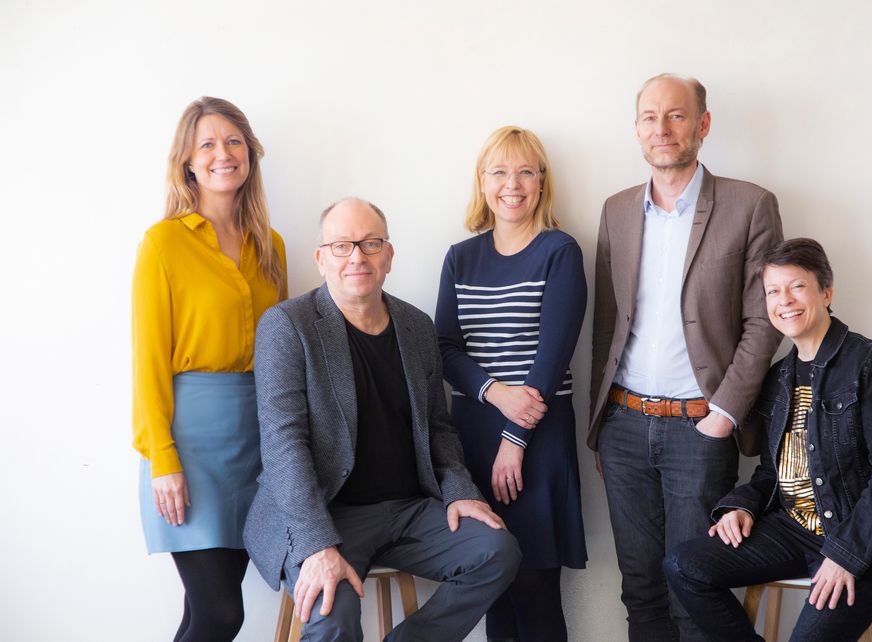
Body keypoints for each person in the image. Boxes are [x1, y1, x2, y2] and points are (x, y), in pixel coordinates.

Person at [244, 198, 521, 642]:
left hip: (408, 510)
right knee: (332, 614)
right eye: (341, 246)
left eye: (370, 243)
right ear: (321, 259)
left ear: (388, 256)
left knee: (497, 550)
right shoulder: (286, 326)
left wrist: (459, 493)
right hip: (324, 512)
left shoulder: (416, 326)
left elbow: (438, 428)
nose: (357, 256)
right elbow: (283, 445)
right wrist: (317, 543)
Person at [589, 73, 784, 640]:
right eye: (650, 117)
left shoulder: (750, 205)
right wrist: (600, 423)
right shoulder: (616, 210)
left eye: (676, 115)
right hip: (623, 426)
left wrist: (722, 416)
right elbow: (607, 324)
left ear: (702, 124)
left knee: (693, 587)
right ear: (636, 130)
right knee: (640, 587)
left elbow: (763, 320)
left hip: (699, 426)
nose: (662, 128)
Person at [663, 238, 872, 641]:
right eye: (773, 291)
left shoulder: (870, 363)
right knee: (685, 565)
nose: (784, 300)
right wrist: (743, 507)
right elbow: (773, 472)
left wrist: (847, 555)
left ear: (826, 291)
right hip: (797, 531)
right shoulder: (779, 377)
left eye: (797, 286)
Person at [132, 96, 287, 641]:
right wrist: (162, 458)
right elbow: (147, 360)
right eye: (208, 144)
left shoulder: (271, 247)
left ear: (249, 154)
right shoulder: (164, 244)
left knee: (205, 617)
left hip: (259, 441)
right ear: (188, 163)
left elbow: (282, 353)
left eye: (234, 141)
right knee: (221, 614)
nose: (223, 153)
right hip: (191, 445)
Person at [435, 126, 588, 642]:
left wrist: (514, 439)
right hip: (474, 435)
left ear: (542, 183)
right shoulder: (461, 257)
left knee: (535, 585)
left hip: (537, 437)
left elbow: (552, 357)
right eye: (499, 172)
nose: (512, 184)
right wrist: (494, 393)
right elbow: (445, 348)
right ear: (482, 182)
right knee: (491, 584)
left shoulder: (559, 251)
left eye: (526, 171)